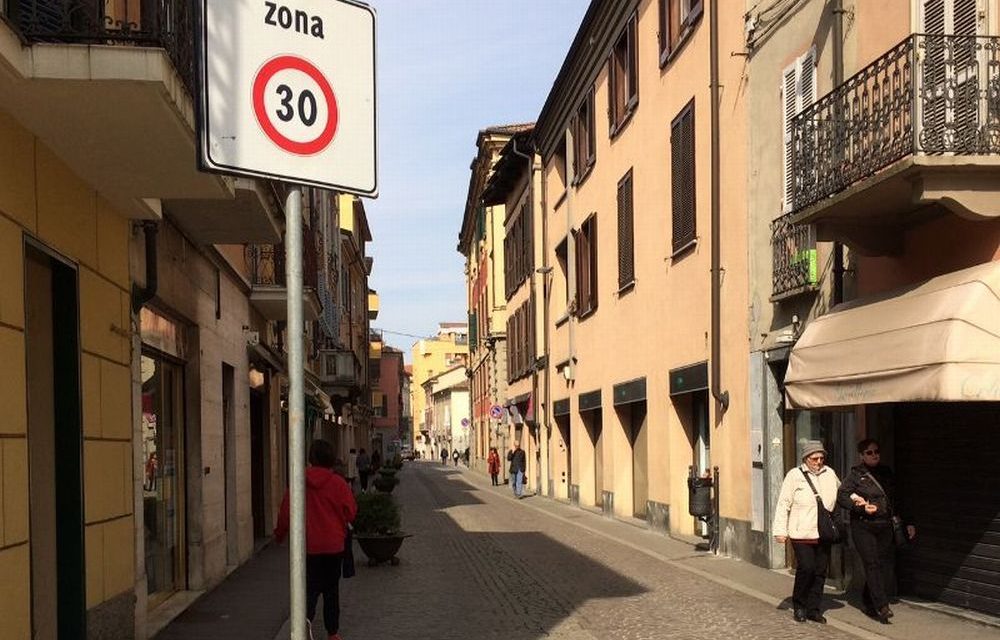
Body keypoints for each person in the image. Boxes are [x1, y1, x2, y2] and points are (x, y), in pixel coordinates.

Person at [274, 440, 356, 640]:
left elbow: (286, 512)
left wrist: (280, 535)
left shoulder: (298, 482)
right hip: (334, 546)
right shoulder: (338, 483)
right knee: (331, 591)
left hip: (307, 547)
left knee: (308, 590)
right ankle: (332, 633)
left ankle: (303, 627)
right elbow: (351, 512)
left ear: (311, 458)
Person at [838, 438, 917, 624]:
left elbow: (897, 498)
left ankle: (867, 600)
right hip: (863, 526)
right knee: (872, 564)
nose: (874, 455)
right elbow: (842, 496)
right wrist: (861, 508)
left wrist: (909, 522)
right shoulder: (856, 475)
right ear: (861, 456)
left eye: (876, 452)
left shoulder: (886, 472)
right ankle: (882, 606)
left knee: (880, 565)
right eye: (869, 452)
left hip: (885, 526)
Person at [772, 440, 840, 624]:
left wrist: (857, 499)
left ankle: (814, 609)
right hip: (801, 531)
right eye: (814, 458)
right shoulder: (794, 475)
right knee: (807, 568)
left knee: (820, 572)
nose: (819, 462)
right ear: (806, 458)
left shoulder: (829, 473)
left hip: (823, 532)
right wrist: (780, 531)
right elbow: (783, 503)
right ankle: (799, 604)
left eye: (821, 458)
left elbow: (842, 493)